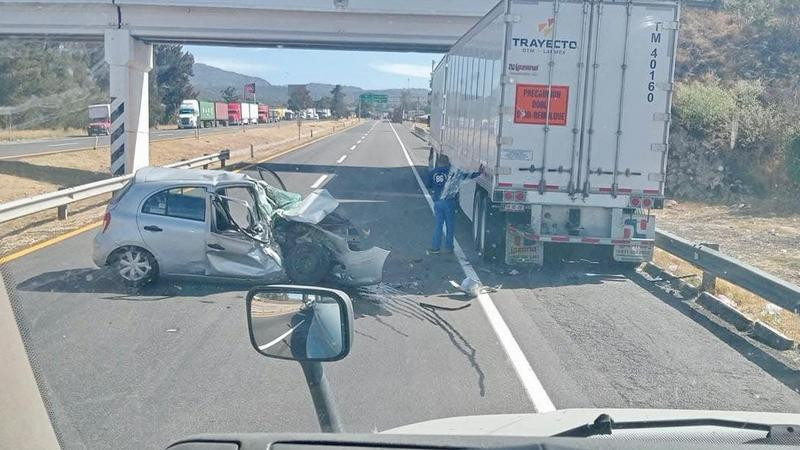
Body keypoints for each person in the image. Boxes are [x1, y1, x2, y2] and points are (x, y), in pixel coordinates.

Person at [427, 154, 455, 255]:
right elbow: (464, 176)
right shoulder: (451, 172)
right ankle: (449, 247)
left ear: (438, 162)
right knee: (450, 225)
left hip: (438, 201)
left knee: (438, 225)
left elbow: (429, 185)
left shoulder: (433, 172)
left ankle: (436, 247)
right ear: (447, 163)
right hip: (449, 201)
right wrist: (478, 173)